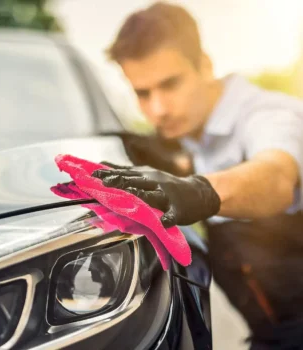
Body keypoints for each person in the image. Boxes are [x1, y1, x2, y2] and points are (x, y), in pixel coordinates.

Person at [92, 2, 303, 349]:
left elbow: (276, 177)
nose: (158, 109)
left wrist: (198, 192)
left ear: (204, 65)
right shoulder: (193, 139)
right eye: (142, 93)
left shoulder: (269, 116)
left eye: (170, 84)